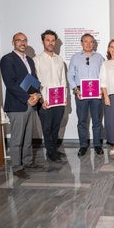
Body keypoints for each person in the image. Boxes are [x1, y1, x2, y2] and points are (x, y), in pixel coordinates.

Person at [0, 32, 42, 179]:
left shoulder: (29, 60)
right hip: (17, 105)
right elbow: (10, 84)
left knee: (28, 136)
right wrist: (27, 98)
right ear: (13, 43)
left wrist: (37, 95)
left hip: (31, 103)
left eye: (24, 40)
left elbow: (34, 80)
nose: (22, 43)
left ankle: (28, 161)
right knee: (17, 138)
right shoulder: (7, 59)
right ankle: (17, 167)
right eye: (19, 40)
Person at [67, 33, 104, 156]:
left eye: (91, 41)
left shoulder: (99, 58)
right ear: (81, 43)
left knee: (97, 121)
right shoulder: (75, 57)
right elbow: (70, 75)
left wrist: (102, 90)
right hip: (80, 93)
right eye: (86, 41)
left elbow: (104, 76)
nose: (88, 44)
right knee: (82, 120)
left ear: (94, 43)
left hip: (96, 93)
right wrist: (75, 90)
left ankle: (97, 145)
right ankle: (83, 145)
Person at [34, 30, 67, 163]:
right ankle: (50, 152)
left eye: (53, 40)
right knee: (47, 128)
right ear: (43, 42)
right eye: (48, 40)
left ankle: (53, 150)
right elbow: (36, 81)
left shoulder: (59, 59)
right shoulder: (37, 60)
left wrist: (65, 98)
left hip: (59, 100)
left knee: (56, 127)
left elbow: (63, 80)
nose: (50, 43)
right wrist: (41, 100)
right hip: (45, 101)